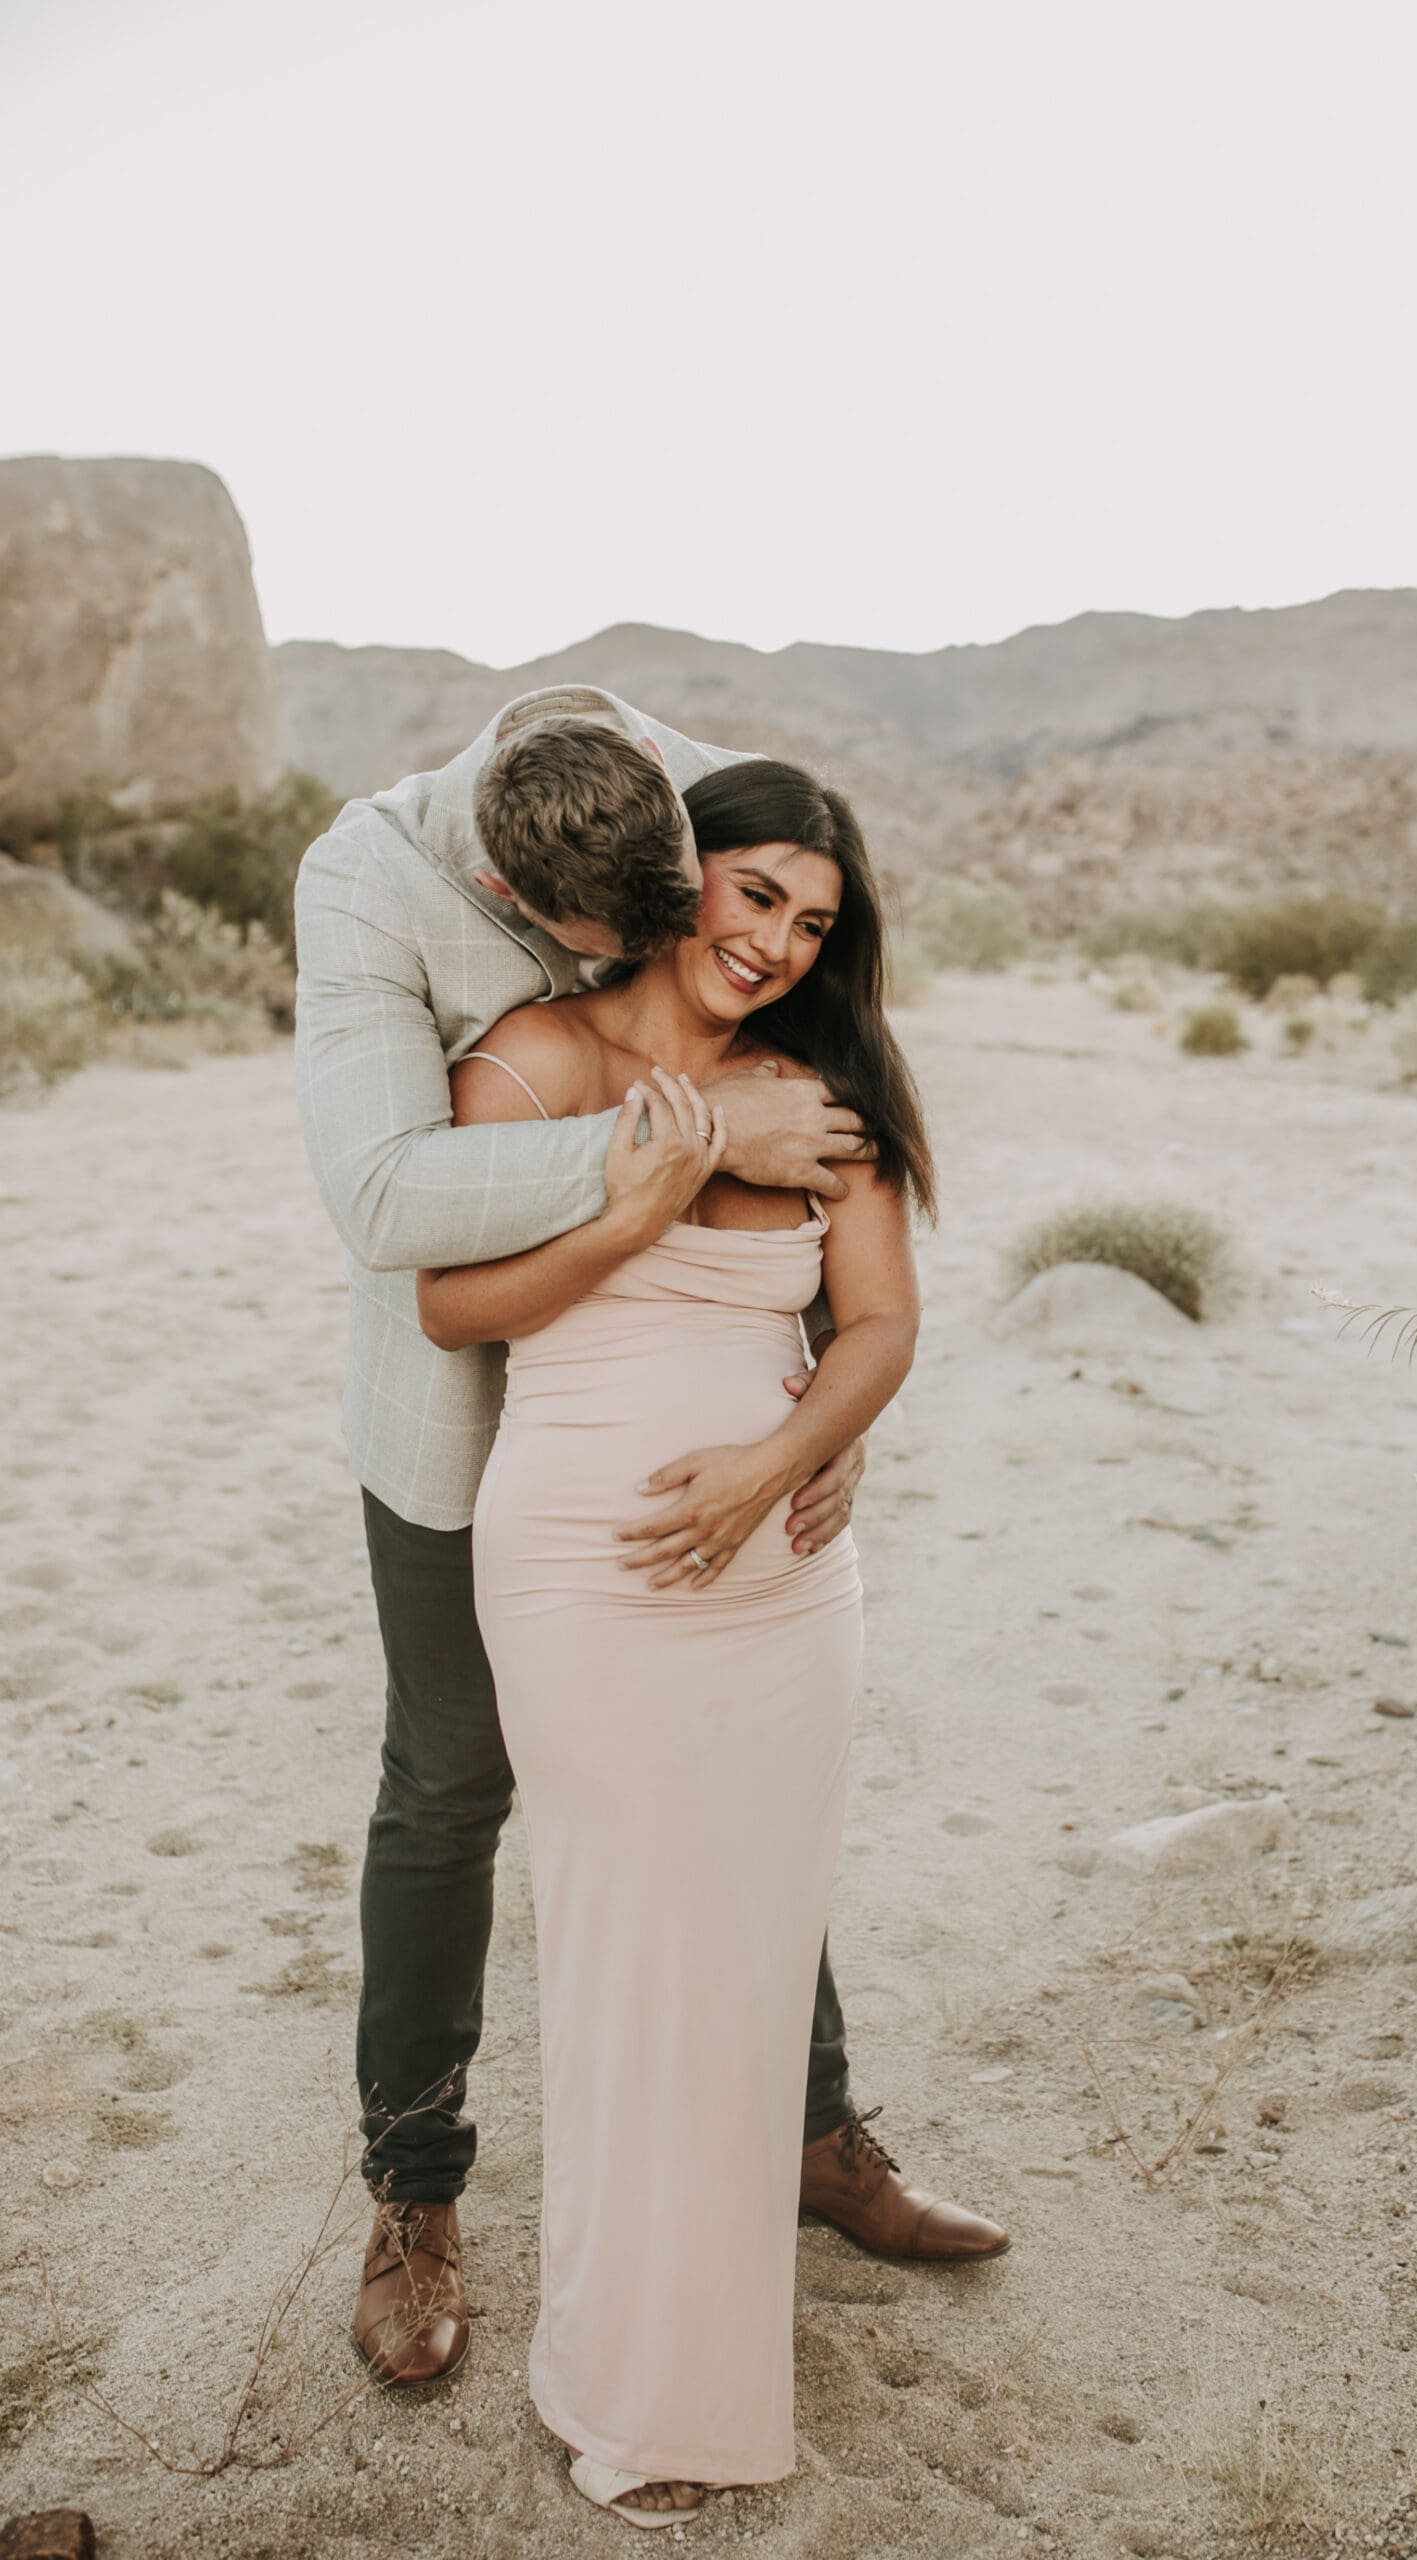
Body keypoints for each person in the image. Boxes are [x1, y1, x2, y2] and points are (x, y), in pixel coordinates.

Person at [292, 690, 1008, 2406]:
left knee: (744, 1787)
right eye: (596, 940)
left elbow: (869, 1277)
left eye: (714, 908)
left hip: (743, 1456)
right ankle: (415, 2196)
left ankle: (811, 2135)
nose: (682, 949)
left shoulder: (713, 818)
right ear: (512, 892)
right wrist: (681, 1160)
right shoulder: (368, 888)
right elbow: (391, 1209)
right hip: (473, 1429)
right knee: (451, 1788)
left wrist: (817, 1435)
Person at [416, 754, 945, 2522]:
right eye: (757, 893)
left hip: (787, 1578)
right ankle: (632, 2381)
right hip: (585, 1567)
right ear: (681, 873)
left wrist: (786, 1455)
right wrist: (647, 1197)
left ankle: (715, 2326)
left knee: (741, 1952)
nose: (781, 942)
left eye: (815, 918)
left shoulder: (829, 1085)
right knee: (629, 1957)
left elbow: (875, 1324)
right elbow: (452, 1300)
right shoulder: (536, 1063)